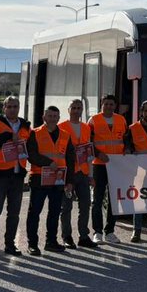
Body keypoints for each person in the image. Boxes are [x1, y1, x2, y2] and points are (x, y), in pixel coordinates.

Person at [0, 96, 32, 258]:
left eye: (15, 106)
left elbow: (30, 150)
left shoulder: (26, 127)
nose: (13, 109)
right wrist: (6, 137)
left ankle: (10, 245)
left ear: (19, 108)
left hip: (18, 176)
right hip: (0, 176)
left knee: (14, 214)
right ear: (4, 108)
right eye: (9, 106)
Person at [26, 106, 68, 255]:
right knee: (35, 212)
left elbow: (70, 158)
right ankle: (32, 244)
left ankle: (51, 241)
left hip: (58, 180)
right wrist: (48, 162)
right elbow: (31, 155)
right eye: (49, 116)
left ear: (58, 118)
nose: (52, 118)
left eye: (55, 116)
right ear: (44, 117)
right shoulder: (34, 133)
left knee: (54, 212)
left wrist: (69, 181)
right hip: (39, 178)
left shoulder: (65, 135)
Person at [59, 99, 98, 249]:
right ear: (68, 110)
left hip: (83, 172)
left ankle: (83, 235)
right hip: (68, 173)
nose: (76, 110)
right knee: (67, 206)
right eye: (74, 108)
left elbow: (89, 152)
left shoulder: (86, 127)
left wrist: (90, 175)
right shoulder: (61, 127)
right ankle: (67, 236)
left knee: (85, 205)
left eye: (79, 108)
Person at [88, 94, 127, 245]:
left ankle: (109, 231)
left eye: (111, 104)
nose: (109, 106)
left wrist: (128, 149)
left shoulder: (121, 119)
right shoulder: (93, 120)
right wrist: (98, 154)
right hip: (99, 164)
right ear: (101, 105)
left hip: (116, 165)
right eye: (106, 104)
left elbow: (126, 138)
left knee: (114, 200)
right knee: (97, 199)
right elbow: (89, 141)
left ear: (115, 106)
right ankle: (97, 232)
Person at [124, 100, 147, 242]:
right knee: (139, 200)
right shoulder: (133, 128)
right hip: (139, 170)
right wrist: (127, 150)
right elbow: (127, 144)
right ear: (141, 112)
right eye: (146, 111)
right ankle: (137, 231)